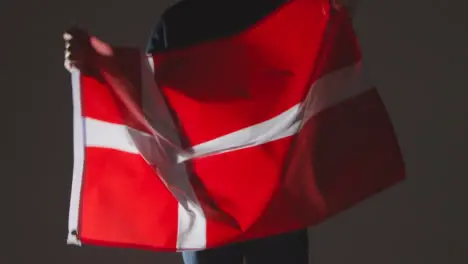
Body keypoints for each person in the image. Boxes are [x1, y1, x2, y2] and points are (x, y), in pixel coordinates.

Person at [63, 1, 357, 263]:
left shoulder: (278, 10)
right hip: (208, 205)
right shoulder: (176, 24)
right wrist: (93, 65)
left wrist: (332, 15)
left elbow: (318, 54)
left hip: (272, 200)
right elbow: (146, 106)